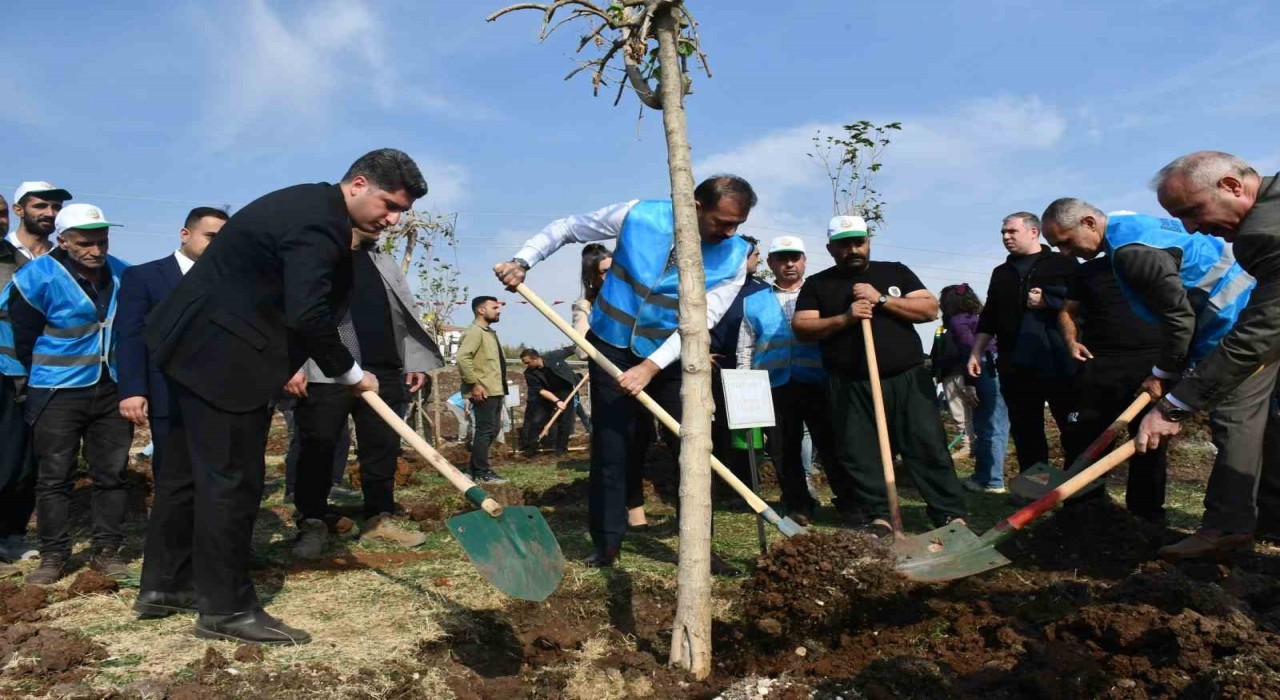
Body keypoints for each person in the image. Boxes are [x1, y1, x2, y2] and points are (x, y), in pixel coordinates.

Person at [140, 149, 427, 644]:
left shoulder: (306, 205)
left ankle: (166, 585)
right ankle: (225, 610)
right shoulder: (320, 225)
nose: (393, 218)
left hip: (191, 347)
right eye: (388, 204)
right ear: (358, 184)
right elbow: (309, 314)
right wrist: (352, 374)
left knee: (185, 476)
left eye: (402, 211)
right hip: (222, 360)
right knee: (231, 483)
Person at [493, 175, 756, 569]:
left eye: (738, 224)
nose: (730, 232)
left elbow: (701, 321)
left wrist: (650, 367)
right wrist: (522, 260)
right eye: (722, 221)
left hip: (672, 359)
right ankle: (608, 543)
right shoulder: (639, 215)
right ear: (696, 206)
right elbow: (567, 227)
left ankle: (700, 546)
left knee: (692, 449)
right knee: (613, 446)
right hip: (611, 347)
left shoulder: (735, 257)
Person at [1040, 192, 1257, 559]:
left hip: (1232, 326)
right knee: (1259, 426)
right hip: (1238, 319)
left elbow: (1179, 318)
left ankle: (1225, 528)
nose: (1065, 253)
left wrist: (1165, 373)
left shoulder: (1131, 252)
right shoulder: (1129, 225)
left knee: (1234, 425)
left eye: (1065, 242)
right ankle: (1256, 521)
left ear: (1090, 223)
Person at [1134, 151, 1280, 555]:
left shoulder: (1264, 232)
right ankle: (1234, 524)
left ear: (1233, 186)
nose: (1192, 228)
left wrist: (1174, 406)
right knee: (1242, 405)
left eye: (1193, 211)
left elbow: (1261, 331)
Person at [793, 215, 967, 536]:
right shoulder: (819, 284)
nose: (853, 249)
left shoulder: (894, 271)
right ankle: (879, 516)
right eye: (845, 244)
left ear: (868, 241)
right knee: (860, 452)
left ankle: (948, 514)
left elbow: (929, 309)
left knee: (927, 444)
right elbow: (803, 326)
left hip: (907, 379)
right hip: (849, 383)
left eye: (859, 242)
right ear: (831, 248)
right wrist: (846, 318)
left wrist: (881, 299)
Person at [287, 224, 442, 558]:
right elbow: (295, 313)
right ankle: (312, 522)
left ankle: (378, 519)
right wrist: (293, 363)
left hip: (384, 368)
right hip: (326, 369)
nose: (387, 222)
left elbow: (405, 311)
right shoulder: (316, 258)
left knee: (382, 448)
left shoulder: (382, 261)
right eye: (382, 213)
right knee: (318, 447)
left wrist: (413, 361)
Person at [7, 203, 133, 584]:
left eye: (102, 241)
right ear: (62, 240)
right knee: (54, 477)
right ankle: (54, 555)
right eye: (85, 243)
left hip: (111, 388)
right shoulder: (35, 277)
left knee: (111, 474)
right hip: (56, 392)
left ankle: (106, 552)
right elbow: (23, 335)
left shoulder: (123, 273)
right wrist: (33, 380)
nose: (96, 250)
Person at [116, 207, 228, 599]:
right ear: (185, 233)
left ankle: (203, 570)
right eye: (211, 236)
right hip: (167, 398)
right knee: (173, 488)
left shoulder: (226, 281)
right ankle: (167, 578)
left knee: (212, 486)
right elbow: (128, 338)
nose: (217, 245)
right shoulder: (144, 277)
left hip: (216, 400)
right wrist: (132, 389)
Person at [736, 235, 859, 524]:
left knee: (832, 445)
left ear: (804, 260)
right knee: (783, 449)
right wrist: (745, 388)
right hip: (774, 386)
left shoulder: (821, 294)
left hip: (819, 382)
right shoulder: (753, 303)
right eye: (781, 258)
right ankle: (798, 505)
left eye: (795, 258)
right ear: (771, 263)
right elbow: (745, 348)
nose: (789, 264)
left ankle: (850, 503)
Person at [1057, 248, 1167, 522]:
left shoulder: (1158, 264)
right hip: (1100, 363)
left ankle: (1145, 515)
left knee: (1149, 442)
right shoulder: (1088, 271)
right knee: (1083, 436)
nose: (1064, 249)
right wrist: (1071, 341)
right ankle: (1080, 508)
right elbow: (1067, 310)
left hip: (1150, 366)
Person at [968, 212, 1079, 473]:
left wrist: (1049, 301)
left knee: (1073, 428)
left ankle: (1079, 490)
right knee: (1026, 430)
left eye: (1012, 232)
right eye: (1003, 233)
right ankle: (1036, 489)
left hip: (1058, 360)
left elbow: (1084, 305)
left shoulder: (1062, 263)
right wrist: (976, 352)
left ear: (1033, 232)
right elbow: (990, 315)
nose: (1006, 237)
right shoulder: (1001, 273)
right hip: (1015, 364)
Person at [0, 183, 71, 569]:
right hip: (6, 366)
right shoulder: (5, 253)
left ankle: (13, 535)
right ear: (18, 209)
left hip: (48, 373)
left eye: (55, 206)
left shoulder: (67, 256)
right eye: (40, 204)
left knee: (31, 459)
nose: (49, 211)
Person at [936, 284, 1010, 493]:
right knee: (997, 423)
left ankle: (992, 481)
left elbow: (971, 352)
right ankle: (984, 476)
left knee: (988, 424)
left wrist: (970, 384)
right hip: (999, 366)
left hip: (985, 369)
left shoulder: (958, 321)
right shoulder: (980, 317)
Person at [456, 296, 510, 485]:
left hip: (494, 389)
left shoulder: (488, 332)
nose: (499, 310)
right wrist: (474, 385)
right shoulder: (475, 332)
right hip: (483, 390)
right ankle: (482, 472)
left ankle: (473, 470)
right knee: (485, 430)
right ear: (481, 310)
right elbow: (463, 358)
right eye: (494, 307)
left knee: (492, 429)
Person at [519, 348, 579, 456]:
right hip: (547, 394)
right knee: (537, 420)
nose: (526, 365)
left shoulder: (553, 356)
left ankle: (560, 449)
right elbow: (541, 391)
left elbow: (572, 349)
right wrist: (557, 401)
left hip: (566, 391)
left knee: (565, 421)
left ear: (536, 358)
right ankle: (531, 448)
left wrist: (586, 352)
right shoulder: (529, 373)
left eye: (527, 362)